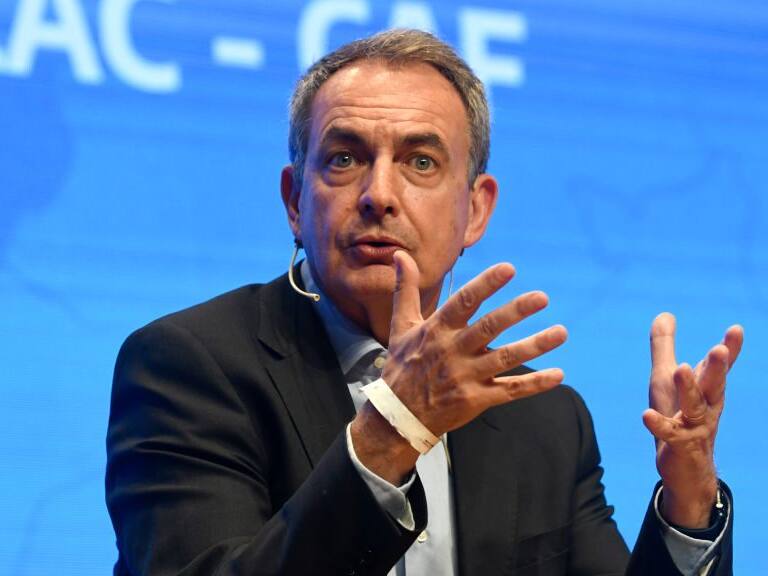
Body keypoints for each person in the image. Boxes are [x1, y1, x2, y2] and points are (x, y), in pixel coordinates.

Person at [105, 29, 743, 576]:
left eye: (420, 162)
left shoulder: (544, 420)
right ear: (295, 202)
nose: (379, 194)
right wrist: (392, 430)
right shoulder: (188, 368)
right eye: (345, 157)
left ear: (475, 211)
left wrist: (688, 504)